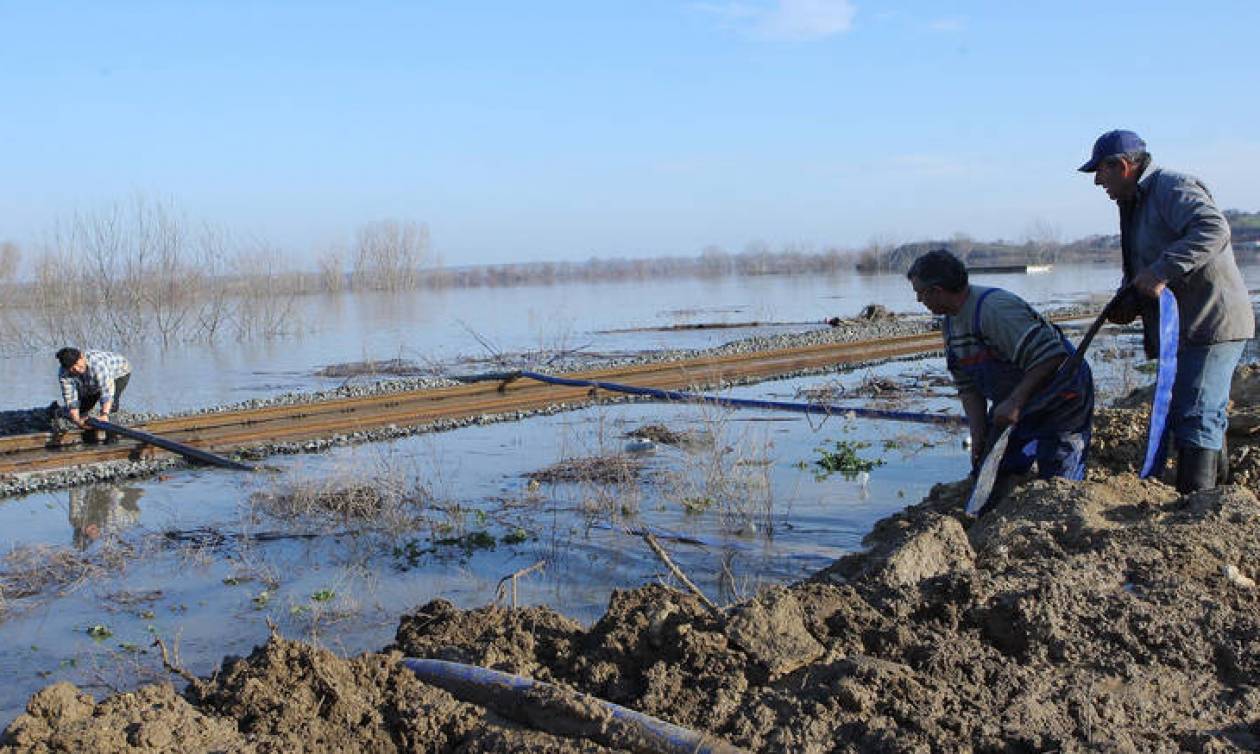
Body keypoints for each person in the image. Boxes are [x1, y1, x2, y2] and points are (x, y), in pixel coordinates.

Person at [1079, 130, 1254, 493]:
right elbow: (1141, 266)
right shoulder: (1133, 203)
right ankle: (1216, 497)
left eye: (1101, 171)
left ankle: (1199, 504)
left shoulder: (1171, 187)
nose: (1097, 181)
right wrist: (1128, 301)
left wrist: (1161, 270)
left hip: (1211, 322)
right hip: (1184, 329)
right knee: (1195, 412)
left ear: (1123, 166)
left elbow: (1213, 229)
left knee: (1196, 412)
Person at [907, 250, 1094, 488]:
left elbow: (1052, 357)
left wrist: (1015, 402)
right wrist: (978, 435)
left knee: (1059, 477)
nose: (919, 301)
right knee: (992, 471)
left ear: (936, 291)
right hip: (1019, 399)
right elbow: (968, 388)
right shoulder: (951, 326)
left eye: (919, 294)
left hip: (1062, 396)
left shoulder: (994, 310)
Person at [55, 347, 132, 444]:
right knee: (83, 406)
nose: (76, 369)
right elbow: (70, 398)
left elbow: (107, 392)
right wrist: (77, 420)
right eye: (71, 368)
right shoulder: (64, 373)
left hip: (120, 371)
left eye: (77, 364)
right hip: (91, 380)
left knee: (111, 405)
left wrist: (104, 414)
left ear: (82, 357)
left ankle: (112, 435)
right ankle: (89, 434)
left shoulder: (97, 365)